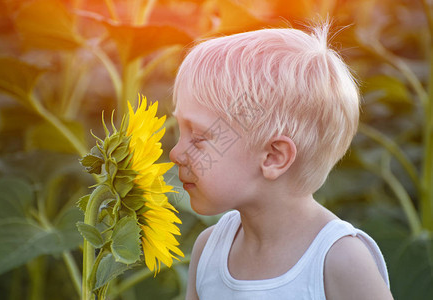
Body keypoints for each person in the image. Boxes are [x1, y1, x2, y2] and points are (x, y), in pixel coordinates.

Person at [169, 24, 394, 300]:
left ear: (274, 157)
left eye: (199, 137)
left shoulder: (338, 260)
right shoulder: (210, 251)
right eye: (180, 130)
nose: (176, 153)